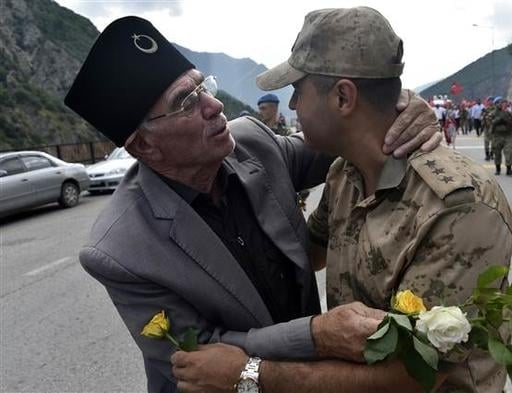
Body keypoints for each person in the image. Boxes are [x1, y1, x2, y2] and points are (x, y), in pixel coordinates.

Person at [64, 16, 441, 393]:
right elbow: (196, 357)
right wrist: (315, 335)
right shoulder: (119, 250)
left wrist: (400, 107)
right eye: (187, 102)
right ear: (144, 146)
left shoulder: (252, 143)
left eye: (204, 87)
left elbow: (345, 132)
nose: (214, 106)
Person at [172, 7, 512, 393]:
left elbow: (414, 375)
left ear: (343, 97)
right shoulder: (344, 174)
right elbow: (308, 253)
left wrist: (251, 374)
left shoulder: (458, 206)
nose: (293, 107)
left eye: (298, 92)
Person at [491, 96, 512, 176]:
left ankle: (509, 169)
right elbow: (490, 123)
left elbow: (511, 123)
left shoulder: (508, 113)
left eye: (503, 102)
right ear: (496, 104)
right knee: (497, 153)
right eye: (500, 103)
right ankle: (498, 169)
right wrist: (499, 119)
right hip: (497, 136)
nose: (502, 104)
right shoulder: (493, 113)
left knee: (509, 152)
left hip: (507, 136)